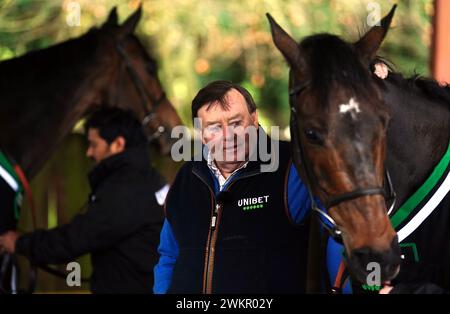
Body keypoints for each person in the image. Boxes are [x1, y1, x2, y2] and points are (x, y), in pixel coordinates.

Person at [153, 80, 316, 294]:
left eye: (236, 123)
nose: (228, 136)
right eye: (214, 127)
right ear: (202, 133)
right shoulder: (187, 176)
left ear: (254, 119)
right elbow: (169, 255)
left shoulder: (293, 166)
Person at [0, 107, 168, 294]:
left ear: (118, 144)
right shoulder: (149, 179)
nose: (89, 152)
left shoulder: (127, 188)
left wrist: (19, 243)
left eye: (94, 144)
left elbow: (75, 238)